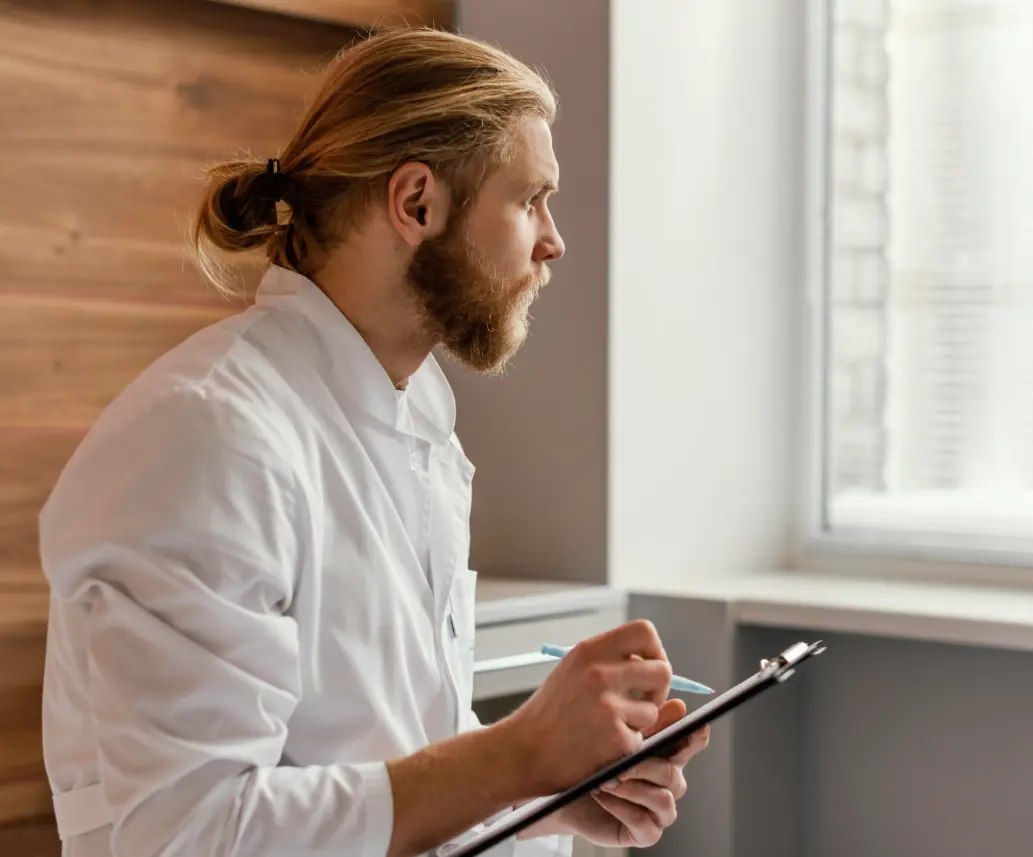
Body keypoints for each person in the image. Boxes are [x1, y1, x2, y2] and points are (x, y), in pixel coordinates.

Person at [39, 26, 709, 857]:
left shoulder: (411, 416)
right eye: (530, 197)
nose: (552, 240)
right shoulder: (209, 437)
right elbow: (198, 833)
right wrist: (519, 753)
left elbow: (392, 755)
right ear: (417, 202)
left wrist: (549, 797)